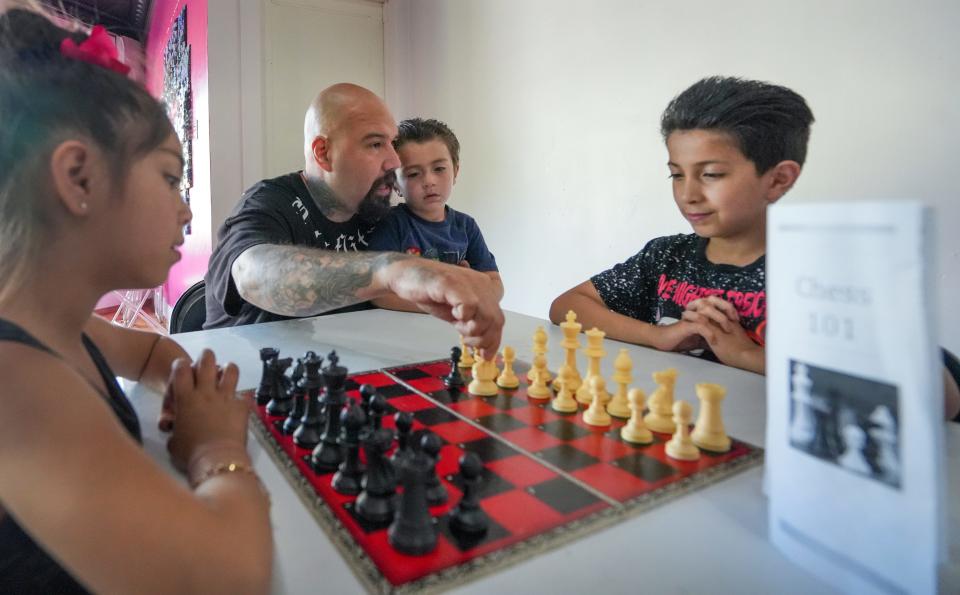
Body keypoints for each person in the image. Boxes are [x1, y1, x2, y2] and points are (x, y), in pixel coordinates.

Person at [0, 6, 271, 593]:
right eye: (171, 178)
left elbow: (148, 356)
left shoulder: (63, 325)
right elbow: (231, 574)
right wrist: (216, 447)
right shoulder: (14, 380)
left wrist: (183, 384)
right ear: (79, 178)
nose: (187, 209)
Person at [203, 85, 504, 353]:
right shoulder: (270, 202)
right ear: (323, 153)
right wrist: (390, 271)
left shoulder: (375, 210)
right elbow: (252, 274)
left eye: (392, 143)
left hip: (349, 376)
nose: (395, 161)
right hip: (247, 382)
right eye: (375, 144)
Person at [550, 76, 814, 375]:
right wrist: (657, 336)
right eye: (676, 175)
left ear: (778, 179)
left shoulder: (815, 275)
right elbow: (567, 306)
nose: (688, 195)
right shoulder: (667, 256)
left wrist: (745, 354)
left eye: (711, 174)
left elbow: (852, 383)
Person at [367, 117, 502, 312]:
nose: (429, 181)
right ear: (395, 184)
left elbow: (495, 286)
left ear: (455, 171)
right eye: (413, 173)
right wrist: (441, 304)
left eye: (439, 169)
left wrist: (472, 286)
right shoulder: (392, 225)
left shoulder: (466, 226)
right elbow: (378, 294)